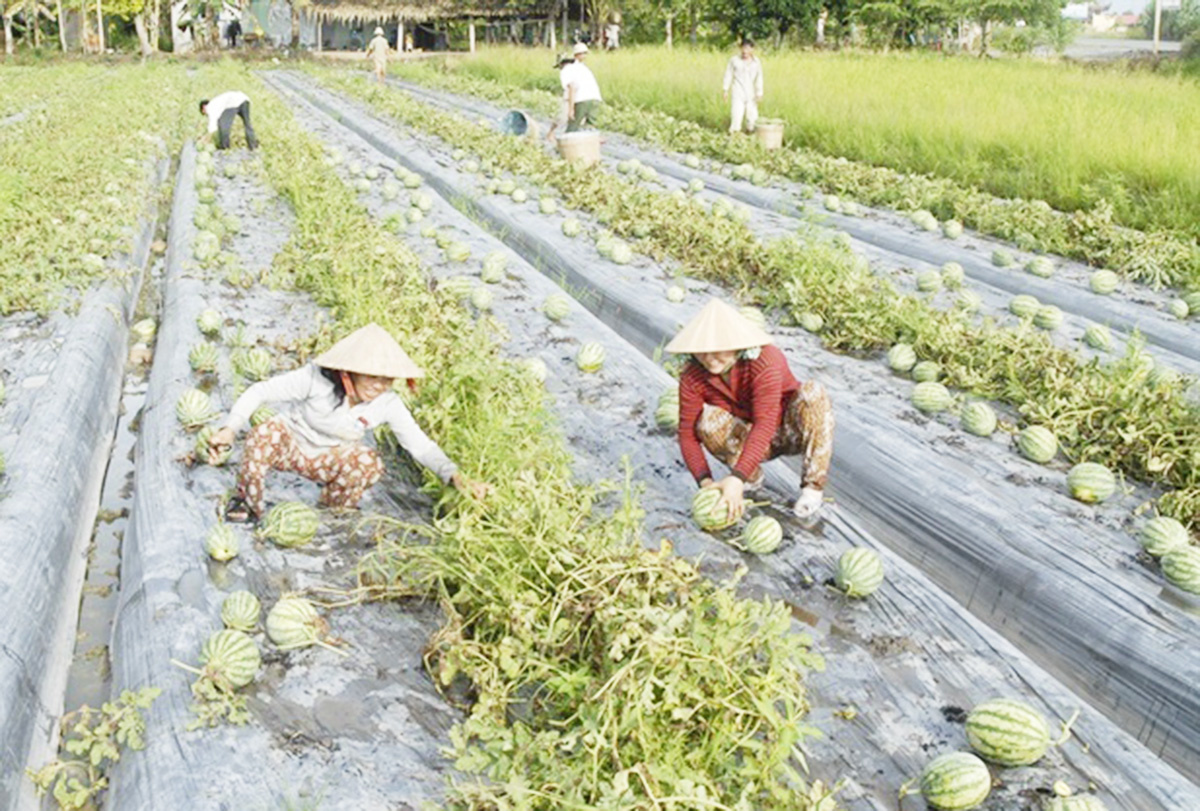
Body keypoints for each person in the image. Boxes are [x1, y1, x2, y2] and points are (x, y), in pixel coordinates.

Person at [206, 323, 490, 522]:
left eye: (387, 379)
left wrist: (454, 475)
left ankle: (332, 511)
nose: (380, 385)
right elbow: (260, 391)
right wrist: (230, 429)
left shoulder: (388, 404)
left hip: (330, 457)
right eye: (372, 376)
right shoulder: (314, 379)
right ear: (348, 372)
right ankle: (247, 502)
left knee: (369, 462)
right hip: (290, 445)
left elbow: (419, 444)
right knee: (264, 433)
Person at [667, 298, 834, 522]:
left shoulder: (764, 361)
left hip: (788, 429)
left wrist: (735, 477)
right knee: (707, 421)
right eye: (701, 351)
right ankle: (750, 478)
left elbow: (765, 422)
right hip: (746, 437)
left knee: (814, 393)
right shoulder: (692, 376)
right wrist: (705, 482)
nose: (708, 358)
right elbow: (687, 434)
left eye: (717, 349)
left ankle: (812, 489)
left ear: (737, 344)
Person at [723, 38, 764, 135]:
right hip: (738, 91)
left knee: (752, 118)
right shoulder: (734, 60)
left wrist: (759, 93)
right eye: (743, 48)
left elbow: (759, 78)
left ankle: (750, 135)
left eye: (747, 48)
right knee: (737, 115)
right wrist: (725, 90)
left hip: (751, 93)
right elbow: (728, 75)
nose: (745, 51)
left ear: (752, 50)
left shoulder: (756, 62)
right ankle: (734, 136)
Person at [562, 42, 602, 133]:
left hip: (582, 99)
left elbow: (572, 89)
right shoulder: (584, 68)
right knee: (590, 128)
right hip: (595, 98)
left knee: (572, 128)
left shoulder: (567, 70)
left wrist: (571, 109)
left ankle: (568, 145)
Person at [545, 53, 574, 143]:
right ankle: (551, 133)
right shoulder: (566, 72)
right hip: (569, 98)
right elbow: (570, 88)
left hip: (571, 97)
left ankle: (552, 133)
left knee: (564, 118)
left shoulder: (567, 71)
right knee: (562, 117)